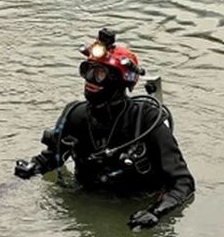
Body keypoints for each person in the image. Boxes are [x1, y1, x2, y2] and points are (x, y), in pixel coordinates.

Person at [14, 29, 195, 230]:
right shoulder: (75, 115)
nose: (90, 80)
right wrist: (31, 168)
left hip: (134, 209)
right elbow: (52, 158)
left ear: (120, 80)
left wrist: (156, 213)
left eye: (99, 74)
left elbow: (183, 183)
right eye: (87, 71)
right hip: (85, 207)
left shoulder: (146, 120)